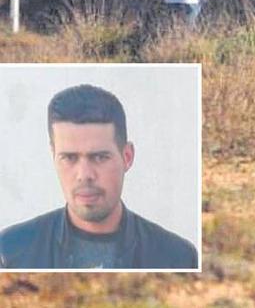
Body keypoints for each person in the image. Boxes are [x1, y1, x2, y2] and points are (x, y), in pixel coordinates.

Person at [0, 84, 198, 269]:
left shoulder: (177, 257)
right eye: (69, 158)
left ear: (127, 157)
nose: (84, 175)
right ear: (53, 157)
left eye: (99, 157)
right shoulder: (9, 252)